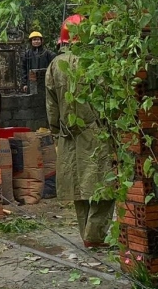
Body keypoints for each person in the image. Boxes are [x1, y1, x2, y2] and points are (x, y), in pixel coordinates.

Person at [45, 15, 115, 249]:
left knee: (78, 187)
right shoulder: (96, 62)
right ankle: (94, 236)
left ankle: (87, 234)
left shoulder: (55, 65)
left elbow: (51, 106)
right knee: (104, 186)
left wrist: (57, 131)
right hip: (95, 131)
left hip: (68, 134)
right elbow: (109, 100)